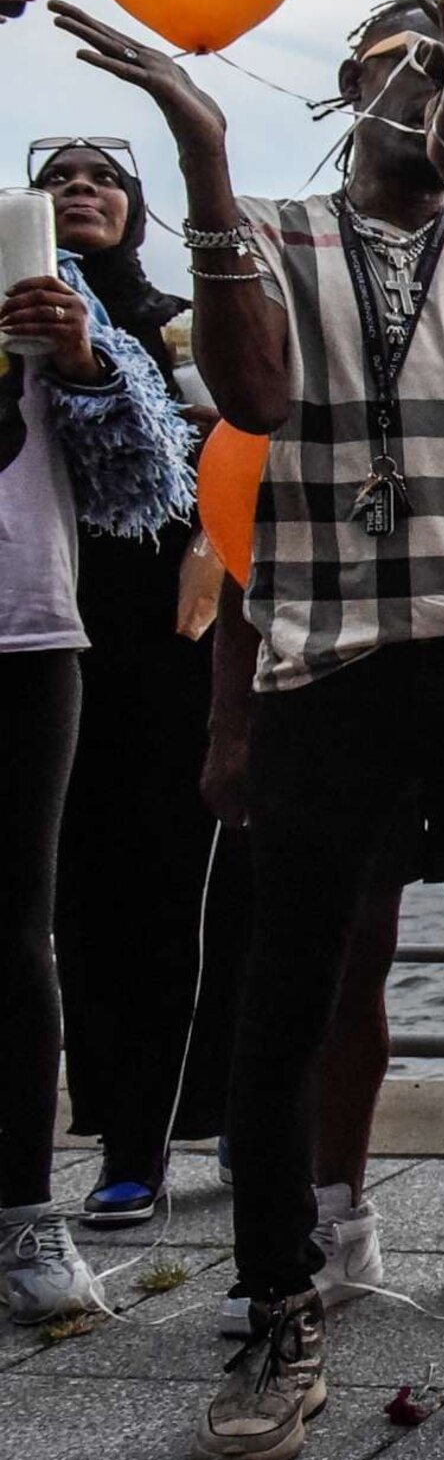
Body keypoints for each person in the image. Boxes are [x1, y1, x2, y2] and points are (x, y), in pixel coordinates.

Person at [56, 0, 444, 1460]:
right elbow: (253, 394)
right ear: (345, 85)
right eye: (413, 69)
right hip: (330, 664)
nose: (443, 95)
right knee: (288, 996)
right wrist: (195, 158)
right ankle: (279, 1302)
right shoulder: (263, 227)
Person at [30, 138, 238, 1229]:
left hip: (169, 634)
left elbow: (236, 448)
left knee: (176, 886)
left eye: (102, 176)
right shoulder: (12, 323)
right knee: (73, 895)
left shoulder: (177, 322)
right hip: (43, 636)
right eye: (56, 175)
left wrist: (211, 542)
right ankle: (107, 1109)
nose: (79, 188)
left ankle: (148, 1135)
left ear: (138, 208)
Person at [0, 222, 190, 1325]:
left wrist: (82, 360)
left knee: (19, 931)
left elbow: (141, 482)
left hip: (23, 633)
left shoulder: (37, 270)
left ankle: (25, 1213)